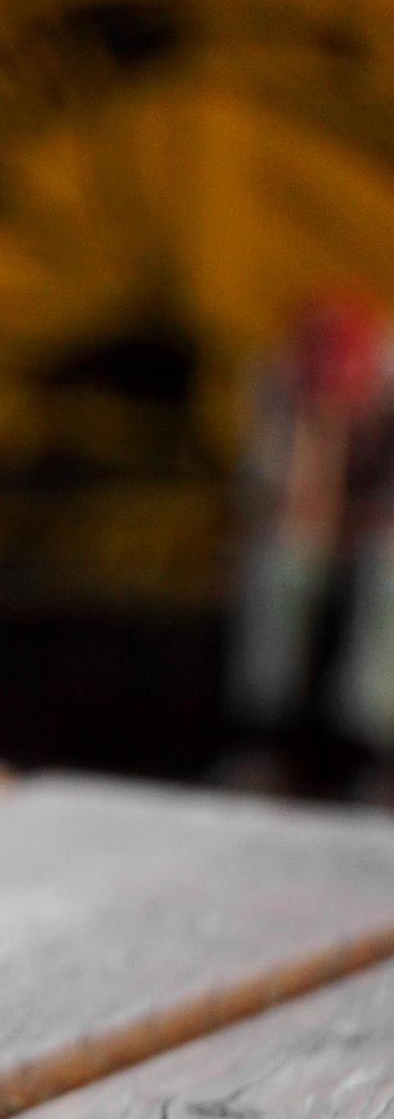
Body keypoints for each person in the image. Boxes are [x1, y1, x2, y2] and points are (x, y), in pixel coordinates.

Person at [225, 290, 394, 794]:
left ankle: (373, 743)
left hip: (380, 533)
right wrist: (311, 432)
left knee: (388, 572)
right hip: (326, 523)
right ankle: (265, 734)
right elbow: (270, 491)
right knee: (278, 564)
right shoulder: (276, 381)